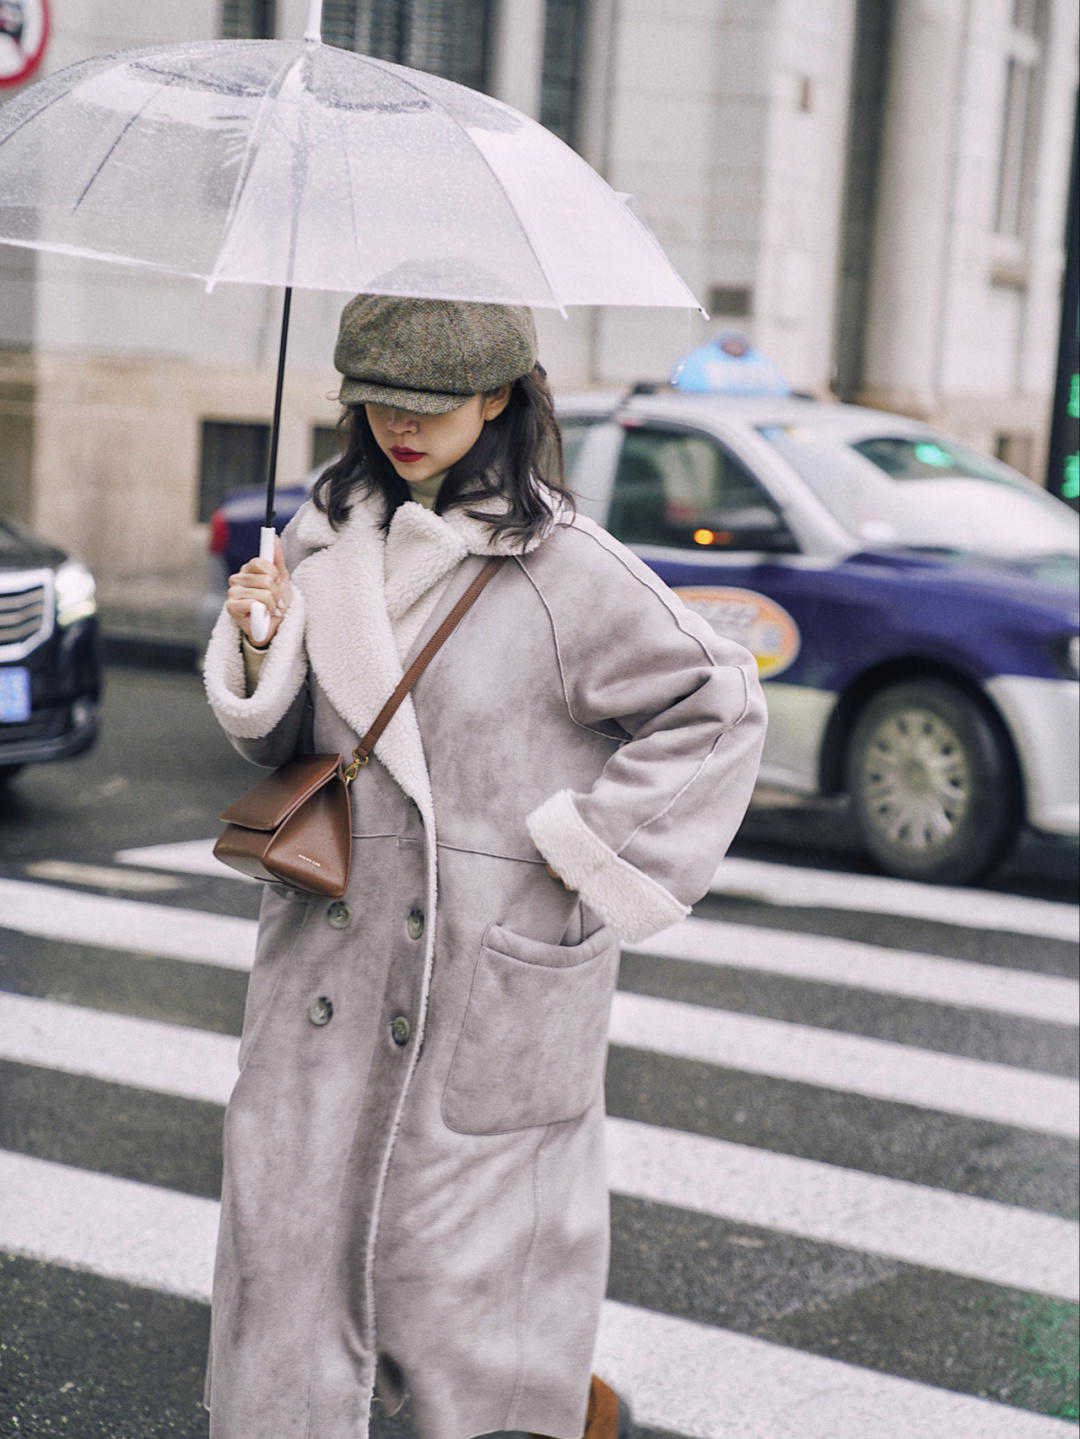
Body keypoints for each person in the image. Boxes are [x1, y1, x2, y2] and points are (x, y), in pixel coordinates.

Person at [202, 293, 767, 1439]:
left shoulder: (562, 565)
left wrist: (581, 853)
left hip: (482, 966)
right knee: (294, 1249)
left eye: (432, 402)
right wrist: (263, 639)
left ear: (500, 397)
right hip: (328, 953)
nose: (401, 426)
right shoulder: (320, 534)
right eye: (379, 401)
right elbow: (291, 746)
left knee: (462, 1294)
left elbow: (721, 700)